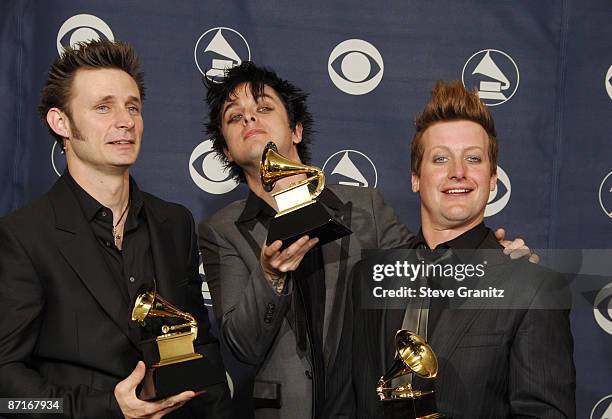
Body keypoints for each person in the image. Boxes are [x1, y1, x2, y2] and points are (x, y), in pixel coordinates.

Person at [198, 63, 531, 418]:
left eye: (264, 108)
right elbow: (242, 346)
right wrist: (271, 277)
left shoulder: (364, 206)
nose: (250, 119)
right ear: (227, 152)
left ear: (296, 130)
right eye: (235, 117)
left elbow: (426, 272)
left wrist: (492, 258)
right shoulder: (222, 230)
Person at [0, 39, 231, 418]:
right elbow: (8, 392)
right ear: (61, 122)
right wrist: (107, 408)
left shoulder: (174, 223)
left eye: (132, 107)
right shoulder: (23, 236)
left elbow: (200, 348)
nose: (125, 121)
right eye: (103, 107)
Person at [350, 80, 575, 418]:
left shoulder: (533, 288)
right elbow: (342, 404)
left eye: (473, 158)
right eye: (441, 159)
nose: (458, 172)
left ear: (493, 179)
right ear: (415, 177)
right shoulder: (368, 278)